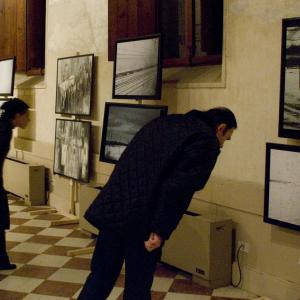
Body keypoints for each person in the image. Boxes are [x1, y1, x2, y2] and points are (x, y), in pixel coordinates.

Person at [79, 107, 237, 300]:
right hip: (143, 218)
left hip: (116, 208)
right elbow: (178, 188)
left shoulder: (165, 122)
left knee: (101, 276)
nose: (221, 146)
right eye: (226, 139)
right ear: (220, 128)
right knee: (138, 284)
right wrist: (160, 229)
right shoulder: (206, 140)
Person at [0, 98, 30, 270]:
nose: (28, 120)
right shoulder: (4, 130)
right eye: (27, 116)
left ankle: (2, 260)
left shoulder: (4, 126)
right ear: (17, 115)